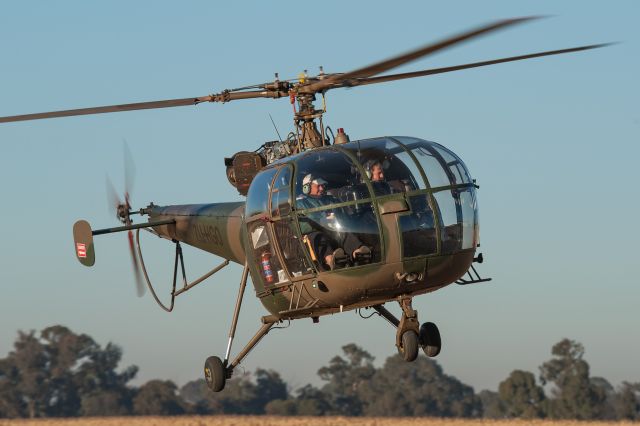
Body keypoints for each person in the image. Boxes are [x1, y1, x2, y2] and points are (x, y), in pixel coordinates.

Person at [296, 173, 371, 270]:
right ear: (307, 187)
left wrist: (337, 217)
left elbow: (344, 215)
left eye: (322, 185)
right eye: (318, 186)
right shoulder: (301, 203)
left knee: (344, 232)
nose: (322, 188)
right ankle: (331, 260)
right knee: (317, 236)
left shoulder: (331, 200)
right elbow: (299, 226)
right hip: (318, 234)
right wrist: (319, 220)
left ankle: (358, 253)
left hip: (333, 230)